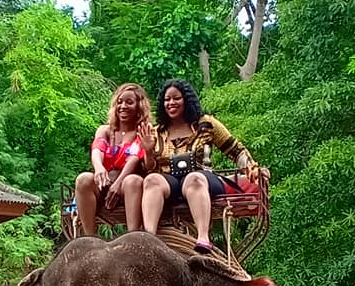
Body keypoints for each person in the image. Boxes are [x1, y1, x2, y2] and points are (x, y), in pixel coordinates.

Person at [138, 79, 261, 253]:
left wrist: (251, 168)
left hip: (203, 178)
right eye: (167, 99)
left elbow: (235, 150)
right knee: (151, 180)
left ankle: (203, 237)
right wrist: (148, 151)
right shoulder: (156, 132)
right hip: (170, 182)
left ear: (187, 99)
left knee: (193, 178)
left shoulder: (206, 124)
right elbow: (150, 168)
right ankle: (149, 237)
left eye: (176, 98)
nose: (171, 103)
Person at [75, 83, 151, 235]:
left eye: (129, 102)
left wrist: (117, 184)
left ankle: (133, 236)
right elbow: (97, 150)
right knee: (83, 179)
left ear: (139, 106)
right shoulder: (105, 130)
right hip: (105, 182)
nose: (123, 106)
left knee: (132, 181)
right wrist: (99, 167)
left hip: (128, 187)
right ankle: (90, 237)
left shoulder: (143, 131)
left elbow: (134, 158)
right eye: (120, 102)